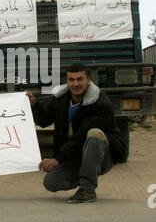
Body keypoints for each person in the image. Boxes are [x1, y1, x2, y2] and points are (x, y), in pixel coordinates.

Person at [26, 63, 127, 203]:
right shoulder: (60, 98)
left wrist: (58, 159)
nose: (75, 84)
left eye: (80, 79)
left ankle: (87, 189)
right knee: (51, 182)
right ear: (67, 81)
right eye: (71, 80)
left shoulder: (100, 103)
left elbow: (81, 136)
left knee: (94, 134)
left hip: (103, 155)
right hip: (76, 155)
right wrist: (34, 105)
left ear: (88, 80)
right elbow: (44, 120)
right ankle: (87, 173)